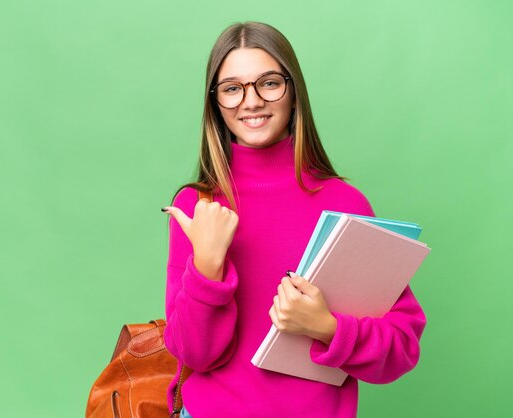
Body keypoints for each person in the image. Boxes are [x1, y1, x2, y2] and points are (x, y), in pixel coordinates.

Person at [160, 21, 426, 418]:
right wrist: (208, 266)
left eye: (268, 83)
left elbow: (400, 349)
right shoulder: (199, 206)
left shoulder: (345, 203)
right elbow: (194, 354)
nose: (250, 102)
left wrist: (327, 328)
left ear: (293, 91)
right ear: (216, 102)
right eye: (232, 89)